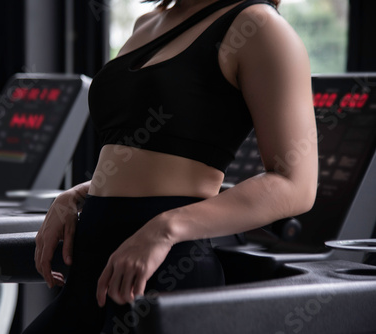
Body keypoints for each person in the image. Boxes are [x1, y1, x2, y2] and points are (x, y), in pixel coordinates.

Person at [24, 0, 318, 332]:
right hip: (90, 270)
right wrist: (79, 196)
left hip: (165, 266)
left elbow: (296, 185)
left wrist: (165, 228)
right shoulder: (148, 23)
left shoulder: (260, 27)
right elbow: (148, 160)